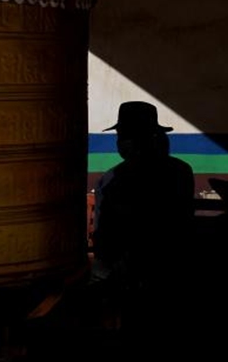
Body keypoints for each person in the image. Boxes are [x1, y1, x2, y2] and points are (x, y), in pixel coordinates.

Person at [90, 101, 194, 340]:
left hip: (137, 277)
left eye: (123, 136)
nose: (120, 142)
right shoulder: (180, 172)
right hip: (170, 275)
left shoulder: (114, 179)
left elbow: (106, 240)